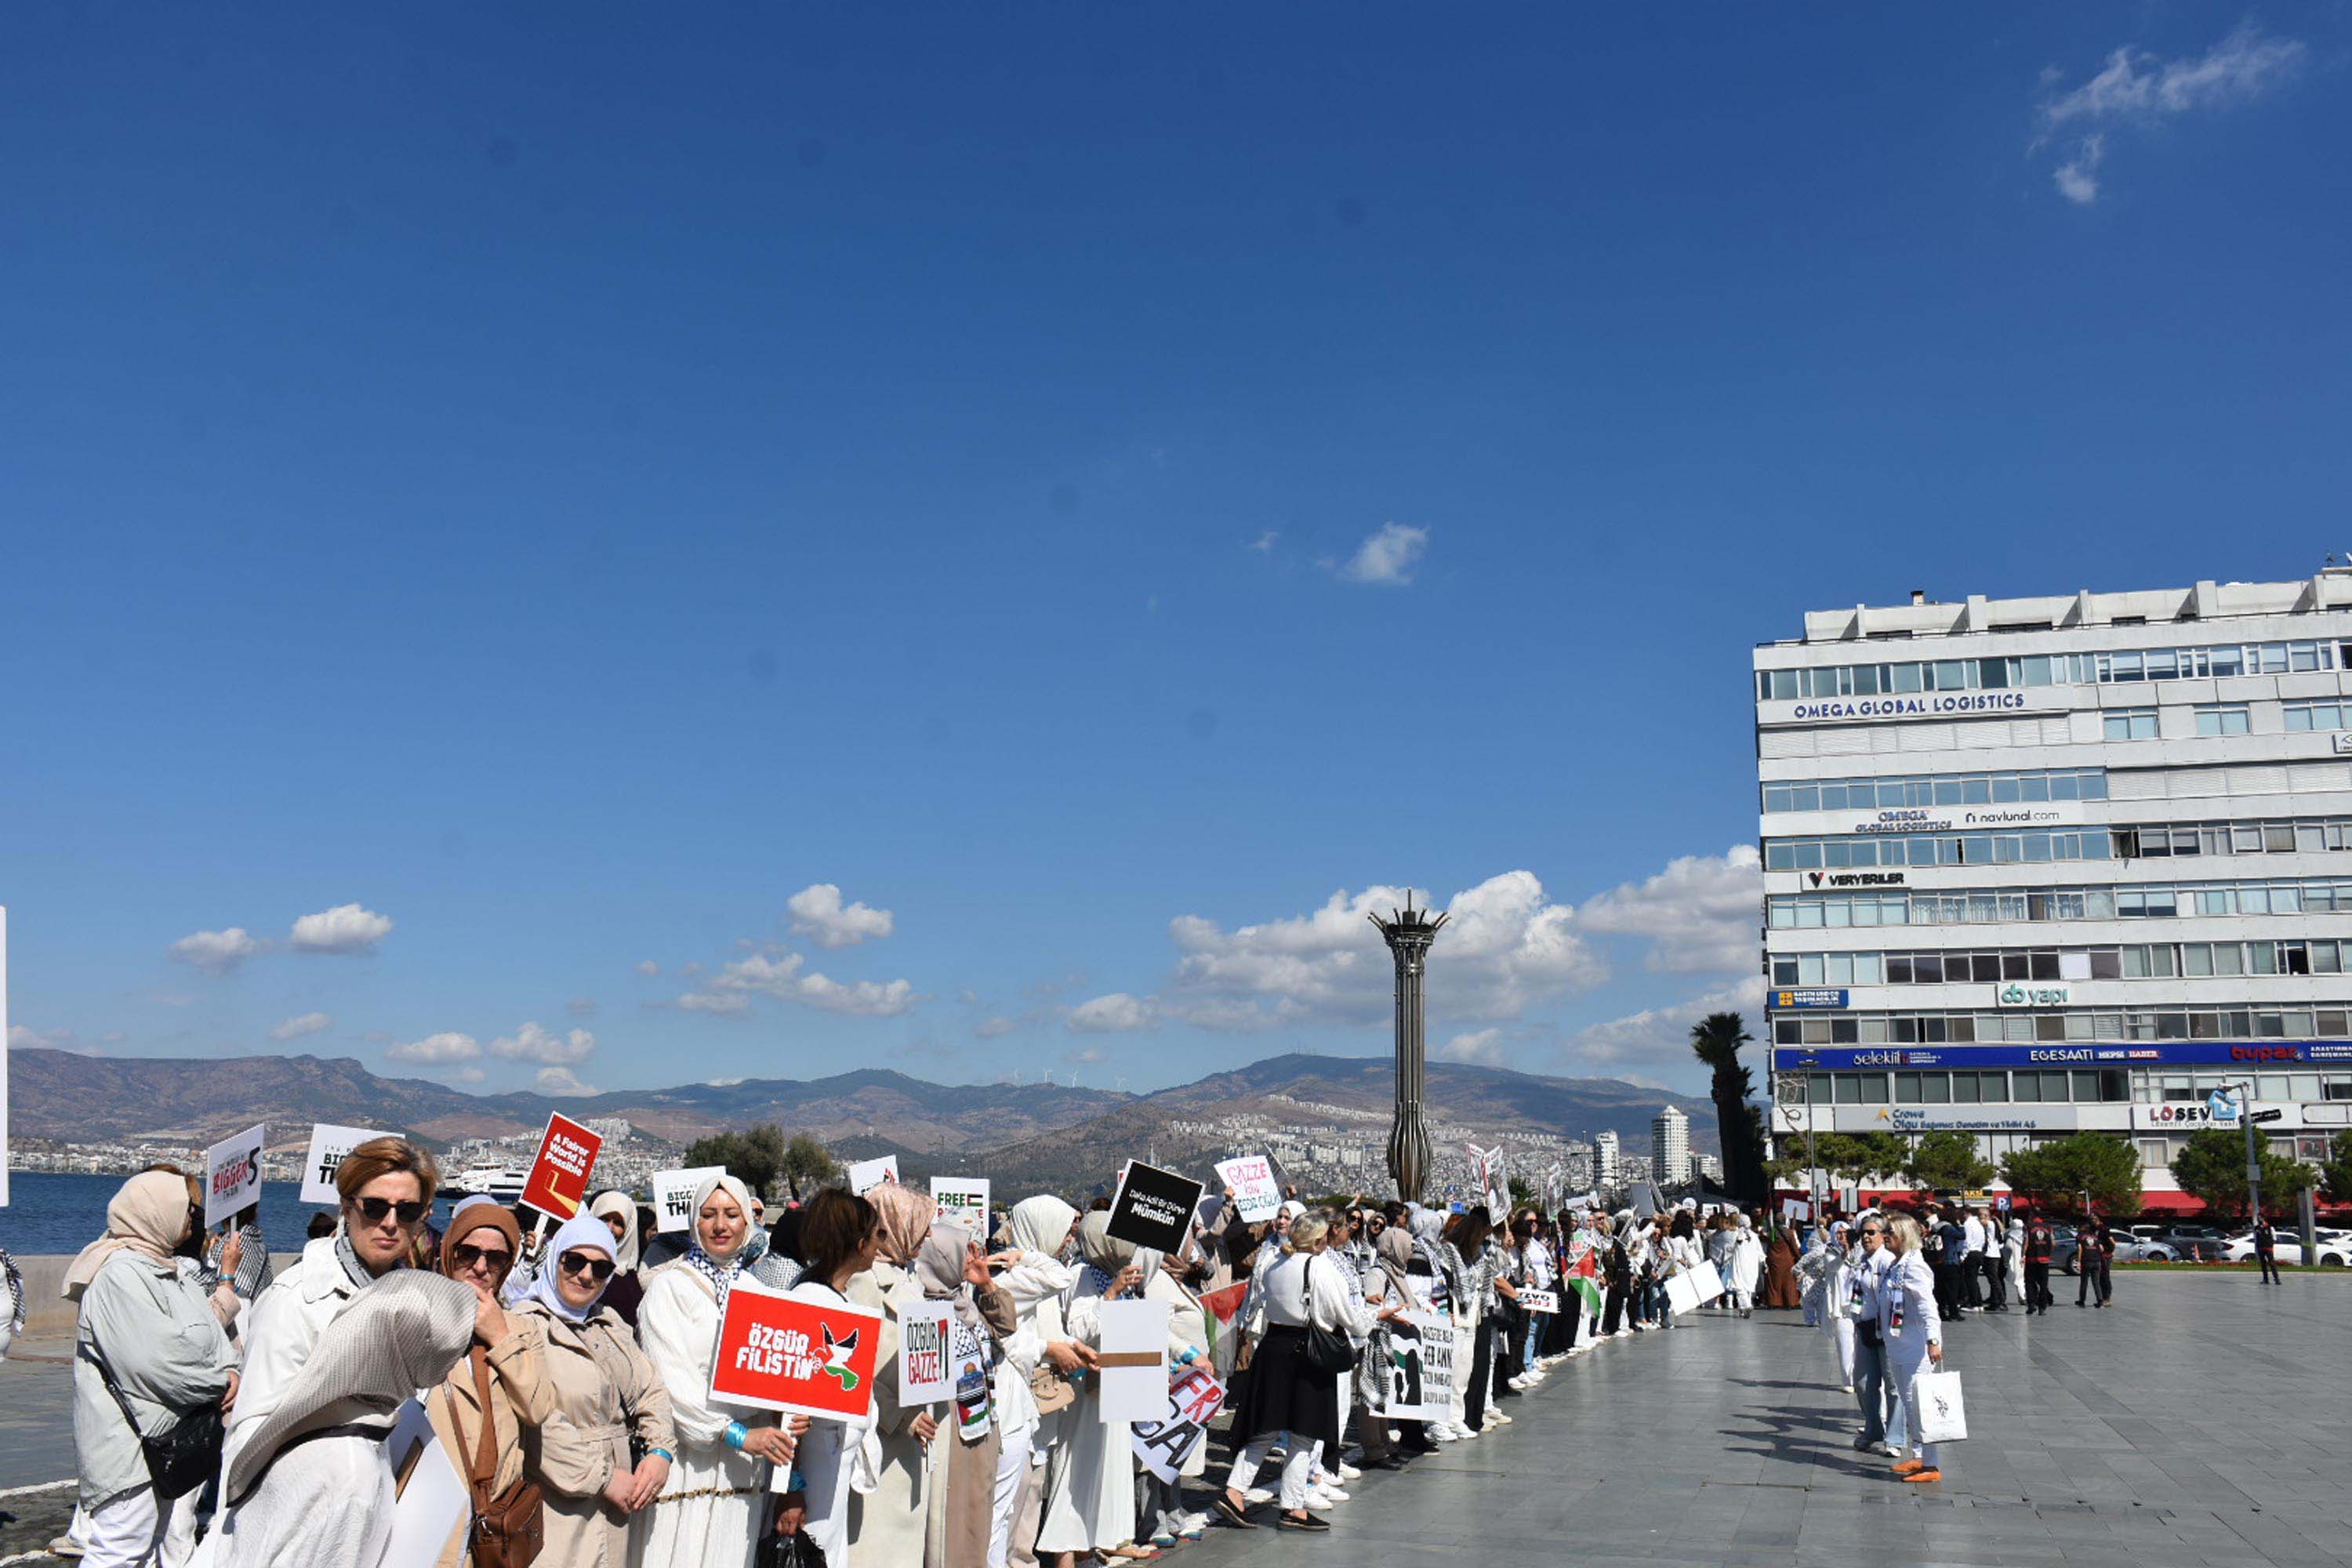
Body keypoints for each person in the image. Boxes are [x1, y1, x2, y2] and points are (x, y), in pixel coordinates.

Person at [223, 1136, 446, 1568]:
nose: (390, 1223)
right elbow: (248, 1439)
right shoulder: (296, 1299)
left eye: (408, 1211)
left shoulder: (407, 1298)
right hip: (296, 1532)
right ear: (348, 1207)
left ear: (424, 1219)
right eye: (376, 1207)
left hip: (369, 1514)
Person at [66, 1170, 241, 1568]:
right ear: (157, 1212)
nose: (192, 1220)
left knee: (147, 1547)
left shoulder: (168, 1271)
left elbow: (210, 1335)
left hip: (162, 1439)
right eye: (186, 1210)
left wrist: (228, 1369)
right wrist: (220, 1381)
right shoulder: (121, 1275)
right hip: (131, 1447)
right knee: (119, 1550)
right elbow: (157, 1362)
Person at [635, 1172, 801, 1568]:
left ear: (748, 1221)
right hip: (688, 1461)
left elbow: (775, 1376)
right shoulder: (669, 1287)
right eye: (709, 1214)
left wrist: (791, 1414)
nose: (720, 1225)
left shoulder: (759, 1293)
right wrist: (736, 1434)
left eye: (731, 1214)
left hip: (743, 1471)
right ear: (694, 1222)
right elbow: (669, 1381)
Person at [516, 1210, 677, 1568]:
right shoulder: (526, 1327)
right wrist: (602, 1478)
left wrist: (660, 1451)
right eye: (574, 1262)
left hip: (618, 1502)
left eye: (601, 1268)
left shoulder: (608, 1323)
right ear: (555, 1258)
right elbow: (539, 1424)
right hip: (558, 1497)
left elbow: (649, 1388)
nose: (586, 1275)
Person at [1215, 1213, 1389, 1534]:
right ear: (1320, 1239)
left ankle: (1234, 1491)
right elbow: (1350, 1319)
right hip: (1307, 1353)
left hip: (1274, 1348)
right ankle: (1293, 1506)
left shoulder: (1274, 1262)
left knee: (1265, 1427)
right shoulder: (1322, 1268)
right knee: (1304, 1433)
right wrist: (1378, 1314)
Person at [426, 1196, 554, 1568]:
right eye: (469, 1253)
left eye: (495, 1258)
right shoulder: (419, 1317)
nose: (480, 1267)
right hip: (431, 1519)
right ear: (451, 1251)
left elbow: (538, 1408)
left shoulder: (522, 1330)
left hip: (494, 1523)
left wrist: (500, 1338)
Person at [1036, 1211, 1155, 1563]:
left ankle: (1105, 1537)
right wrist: (1113, 1293)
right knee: (1079, 1463)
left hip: (1119, 1380)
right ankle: (1063, 1549)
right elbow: (1079, 1329)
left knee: (1113, 1463)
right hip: (1088, 1386)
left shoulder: (1121, 1275)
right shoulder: (1083, 1276)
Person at [779, 1189, 885, 1565]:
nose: (880, 1245)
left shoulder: (839, 1300)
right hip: (814, 1467)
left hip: (833, 1462)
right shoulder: (808, 1300)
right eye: (878, 1235)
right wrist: (792, 1488)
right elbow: (784, 1402)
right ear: (860, 1243)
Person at [912, 1222, 1022, 1566]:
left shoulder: (963, 1302)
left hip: (981, 1427)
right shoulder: (922, 1305)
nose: (969, 1259)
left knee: (978, 1521)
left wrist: (985, 1282)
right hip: (950, 1436)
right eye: (962, 1252)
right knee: (954, 1530)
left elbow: (1005, 1326)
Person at [992, 1194, 1093, 1568]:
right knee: (1015, 1498)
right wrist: (1054, 1348)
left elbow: (1048, 1328)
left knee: (1031, 1494)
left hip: (1036, 1399)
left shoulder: (1028, 1273)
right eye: (1063, 1230)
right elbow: (1016, 1339)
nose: (1069, 1238)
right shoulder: (1018, 1276)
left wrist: (1071, 1347)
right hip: (1019, 1398)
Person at [851, 1181, 947, 1566]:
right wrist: (900, 1417)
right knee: (876, 1546)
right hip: (883, 1440)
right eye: (920, 1225)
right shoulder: (863, 1282)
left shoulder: (911, 1278)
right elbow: (853, 1370)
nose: (928, 1236)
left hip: (915, 1437)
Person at [1878, 1214, 1945, 1485]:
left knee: (1920, 1407)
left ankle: (1932, 1464)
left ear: (1904, 1236)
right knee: (1909, 1404)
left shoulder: (1915, 1267)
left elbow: (1929, 1306)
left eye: (1890, 1232)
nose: (1885, 1236)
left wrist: (1933, 1340)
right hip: (1897, 1345)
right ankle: (1919, 1456)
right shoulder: (1895, 1265)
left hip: (1915, 1348)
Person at [1844, 1215, 1892, 1453]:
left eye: (1871, 1232)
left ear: (1884, 1235)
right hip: (1865, 1327)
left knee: (1892, 1387)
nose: (1865, 1237)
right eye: (1862, 1233)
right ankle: (1873, 1428)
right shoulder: (1861, 1260)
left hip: (1887, 1331)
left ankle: (1895, 1438)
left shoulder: (1889, 1261)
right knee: (1862, 1383)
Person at [586, 1190, 648, 1327]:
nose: (609, 1228)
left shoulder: (628, 1278)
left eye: (618, 1223)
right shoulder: (575, 1266)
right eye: (604, 1219)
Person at [1726, 1214, 1763, 1317]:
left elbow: (1729, 1248)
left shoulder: (1736, 1234)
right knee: (1748, 1284)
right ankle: (1743, 1307)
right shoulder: (1754, 1236)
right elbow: (1760, 1251)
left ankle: (1746, 1305)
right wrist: (1763, 1262)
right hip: (1752, 1264)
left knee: (1739, 1284)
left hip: (1740, 1262)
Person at [2075, 1218, 2114, 1308]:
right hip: (2097, 1261)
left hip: (2086, 1261)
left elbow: (2080, 1248)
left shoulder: (2080, 1236)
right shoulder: (2095, 1236)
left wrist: (2079, 1261)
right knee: (2096, 1282)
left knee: (2084, 1282)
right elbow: (2101, 1248)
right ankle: (2100, 1300)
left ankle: (2082, 1301)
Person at [2023, 1214, 2055, 1316]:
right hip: (2044, 1259)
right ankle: (2042, 1308)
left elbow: (2026, 1242)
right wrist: (2049, 1254)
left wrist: (2023, 1255)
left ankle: (2031, 1305)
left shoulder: (2028, 1227)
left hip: (2031, 1259)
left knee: (2030, 1283)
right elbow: (2053, 1243)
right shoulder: (2049, 1227)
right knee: (2044, 1284)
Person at [2253, 1216, 2281, 1285]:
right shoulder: (2257, 1228)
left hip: (2268, 1248)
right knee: (2263, 1264)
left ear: (2264, 1218)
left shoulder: (2270, 1227)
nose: (2259, 1219)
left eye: (2260, 1218)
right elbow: (2256, 1237)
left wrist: (2270, 1245)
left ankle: (2276, 1279)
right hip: (2261, 1247)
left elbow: (2274, 1238)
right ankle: (2265, 1279)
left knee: (2272, 1263)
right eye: (2258, 1218)